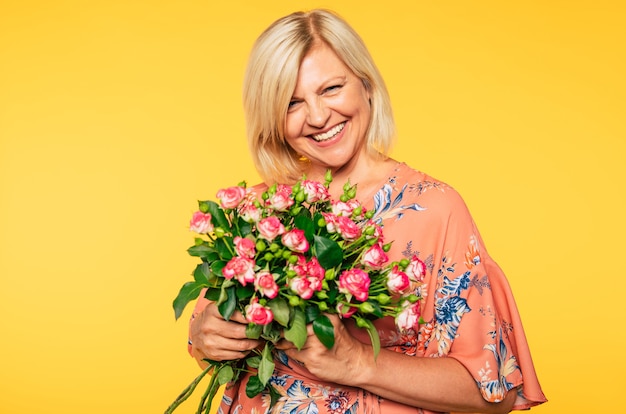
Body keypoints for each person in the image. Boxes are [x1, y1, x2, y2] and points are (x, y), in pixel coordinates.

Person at [188, 9, 547, 414]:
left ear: (366, 84)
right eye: (291, 103)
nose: (319, 116)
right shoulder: (258, 214)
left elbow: (491, 392)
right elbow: (215, 356)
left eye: (331, 88)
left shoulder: (434, 208)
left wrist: (357, 363)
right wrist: (205, 338)